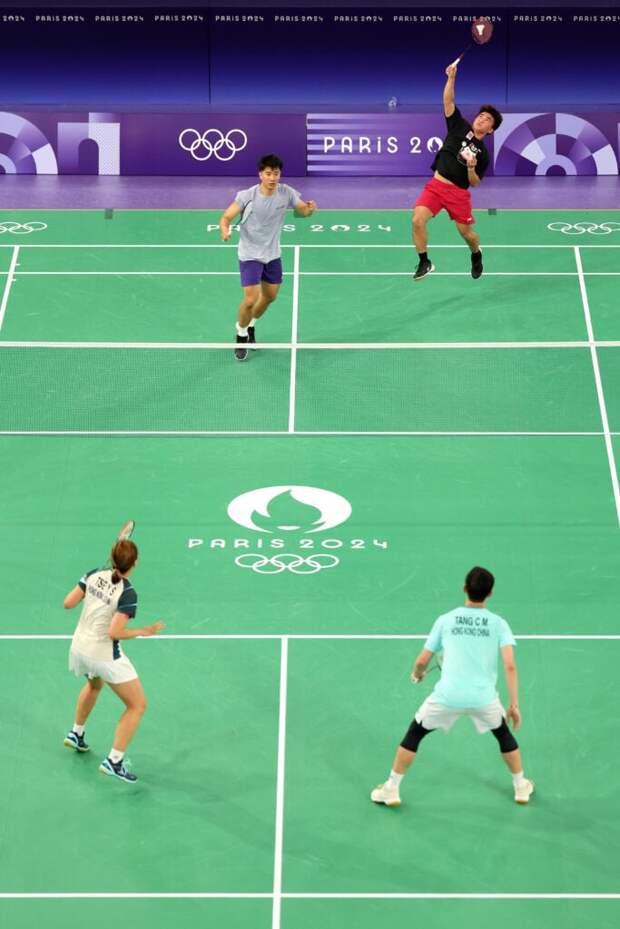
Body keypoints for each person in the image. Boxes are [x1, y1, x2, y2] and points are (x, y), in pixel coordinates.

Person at [371, 566, 533, 806]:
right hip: (483, 698)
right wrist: (514, 705)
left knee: (415, 734)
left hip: (447, 697)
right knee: (503, 734)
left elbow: (421, 661)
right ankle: (521, 787)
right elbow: (510, 666)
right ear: (490, 593)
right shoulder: (499, 624)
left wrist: (418, 674)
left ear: (464, 588)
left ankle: (391, 789)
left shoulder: (445, 620)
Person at [63, 539, 164, 783]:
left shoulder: (93, 574)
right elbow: (115, 633)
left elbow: (68, 603)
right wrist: (144, 631)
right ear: (135, 563)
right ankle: (114, 761)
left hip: (78, 648)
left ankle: (76, 734)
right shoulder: (128, 593)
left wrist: (93, 582)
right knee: (137, 705)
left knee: (94, 685)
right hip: (103, 655)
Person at [219, 153, 317, 361]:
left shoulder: (286, 192)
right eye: (268, 174)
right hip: (250, 254)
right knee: (250, 300)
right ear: (260, 175)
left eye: (276, 173)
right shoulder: (247, 196)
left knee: (270, 297)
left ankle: (251, 324)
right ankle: (241, 333)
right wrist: (225, 230)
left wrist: (309, 210)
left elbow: (301, 213)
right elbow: (226, 217)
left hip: (272, 254)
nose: (273, 178)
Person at [412, 63, 503, 282]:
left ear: (490, 130)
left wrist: (471, 167)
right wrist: (451, 78)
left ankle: (476, 254)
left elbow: (475, 183)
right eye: (481, 115)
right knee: (417, 220)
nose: (482, 118)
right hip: (435, 186)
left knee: (467, 234)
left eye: (488, 119)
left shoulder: (483, 153)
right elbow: (448, 101)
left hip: (458, 193)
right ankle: (425, 261)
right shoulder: (459, 126)